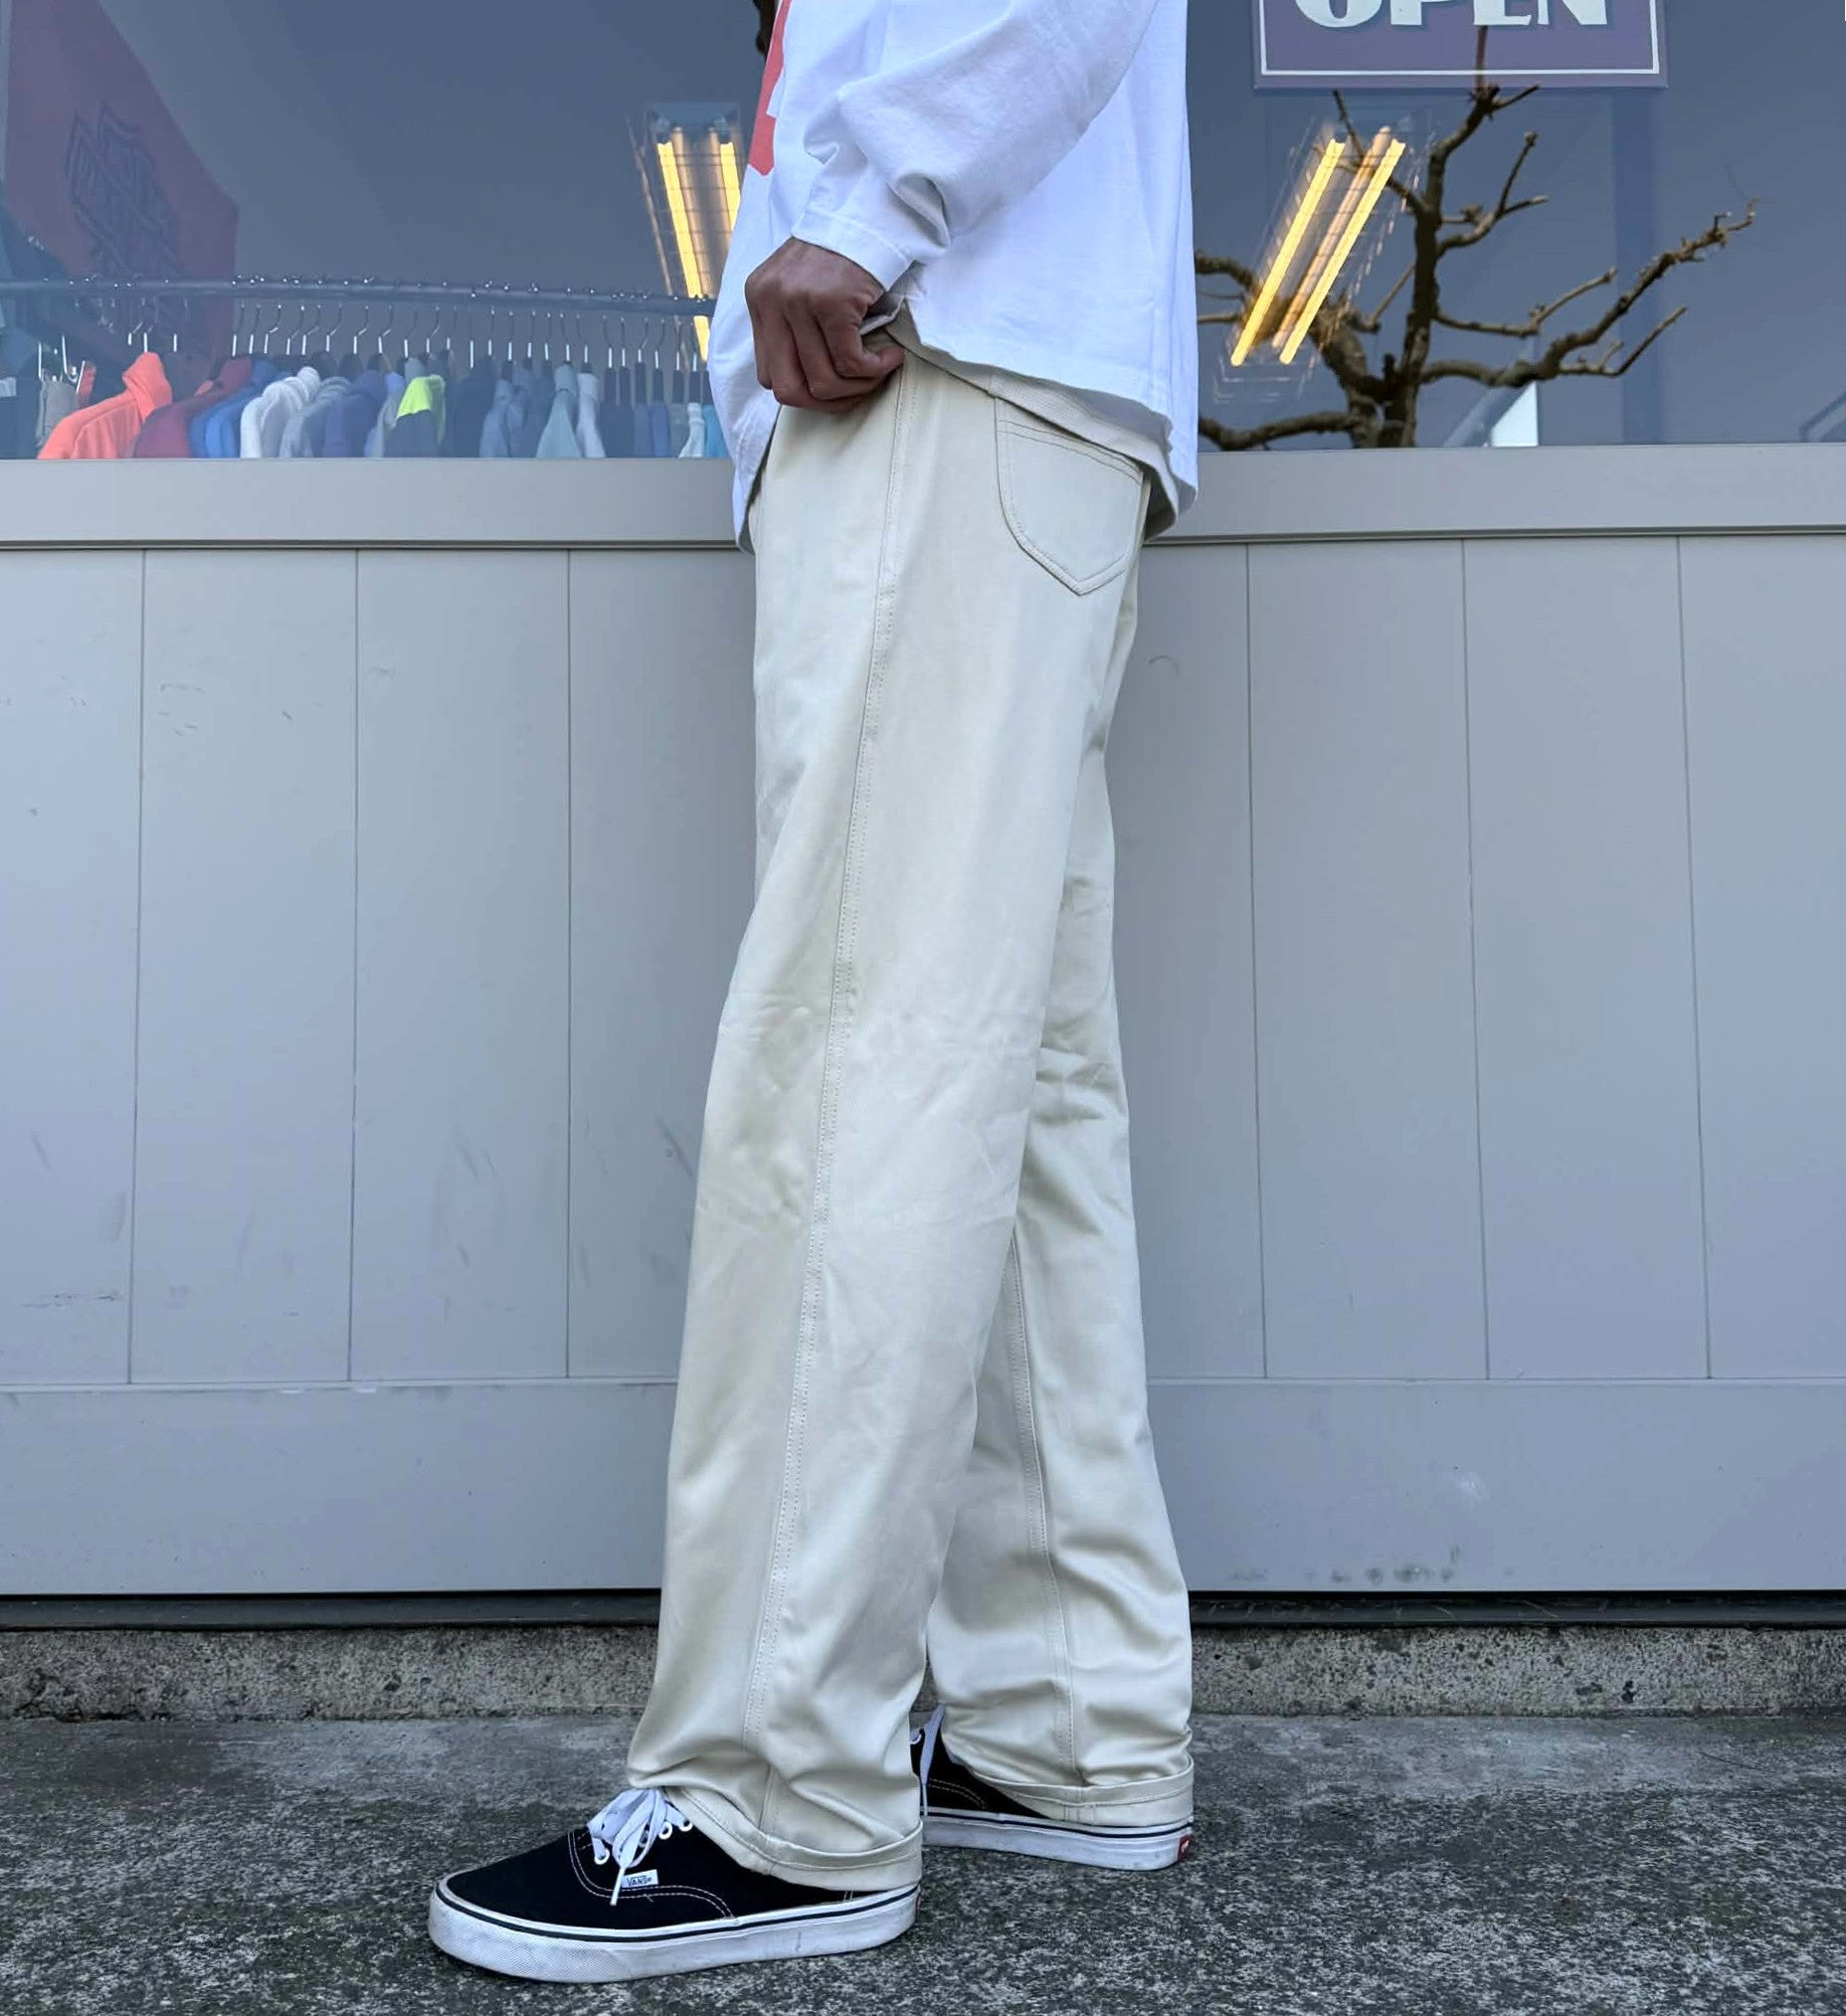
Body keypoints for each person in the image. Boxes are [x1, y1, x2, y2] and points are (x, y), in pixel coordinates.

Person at [429, 0, 1198, 1984]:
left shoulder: (900, 241)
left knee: (855, 1067)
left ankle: (777, 1796)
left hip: (934, 352)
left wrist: (868, 199)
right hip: (998, 375)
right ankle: (1068, 1721)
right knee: (1007, 1091)